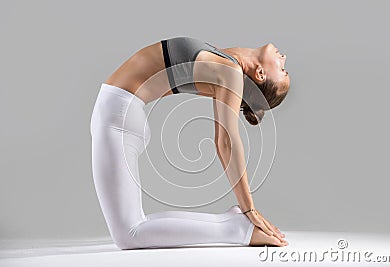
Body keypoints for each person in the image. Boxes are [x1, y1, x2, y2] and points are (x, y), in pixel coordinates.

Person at [90, 36, 290, 249]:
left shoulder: (230, 73)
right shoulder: (225, 63)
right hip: (120, 114)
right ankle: (235, 224)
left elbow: (226, 141)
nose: (284, 58)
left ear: (260, 74)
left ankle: (238, 229)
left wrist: (249, 208)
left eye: (283, 71)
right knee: (134, 225)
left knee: (128, 235)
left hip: (117, 117)